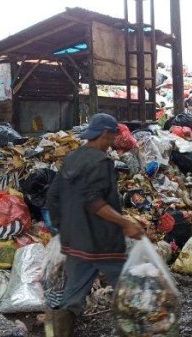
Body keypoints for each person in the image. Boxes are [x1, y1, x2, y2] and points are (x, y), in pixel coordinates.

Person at [45, 113, 144, 337]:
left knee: (73, 293)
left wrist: (62, 226)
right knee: (125, 286)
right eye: (111, 137)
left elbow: (53, 195)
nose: (112, 142)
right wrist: (126, 223)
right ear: (103, 134)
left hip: (75, 241)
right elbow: (94, 202)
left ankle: (58, 333)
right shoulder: (101, 162)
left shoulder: (72, 157)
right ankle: (141, 329)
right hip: (101, 241)